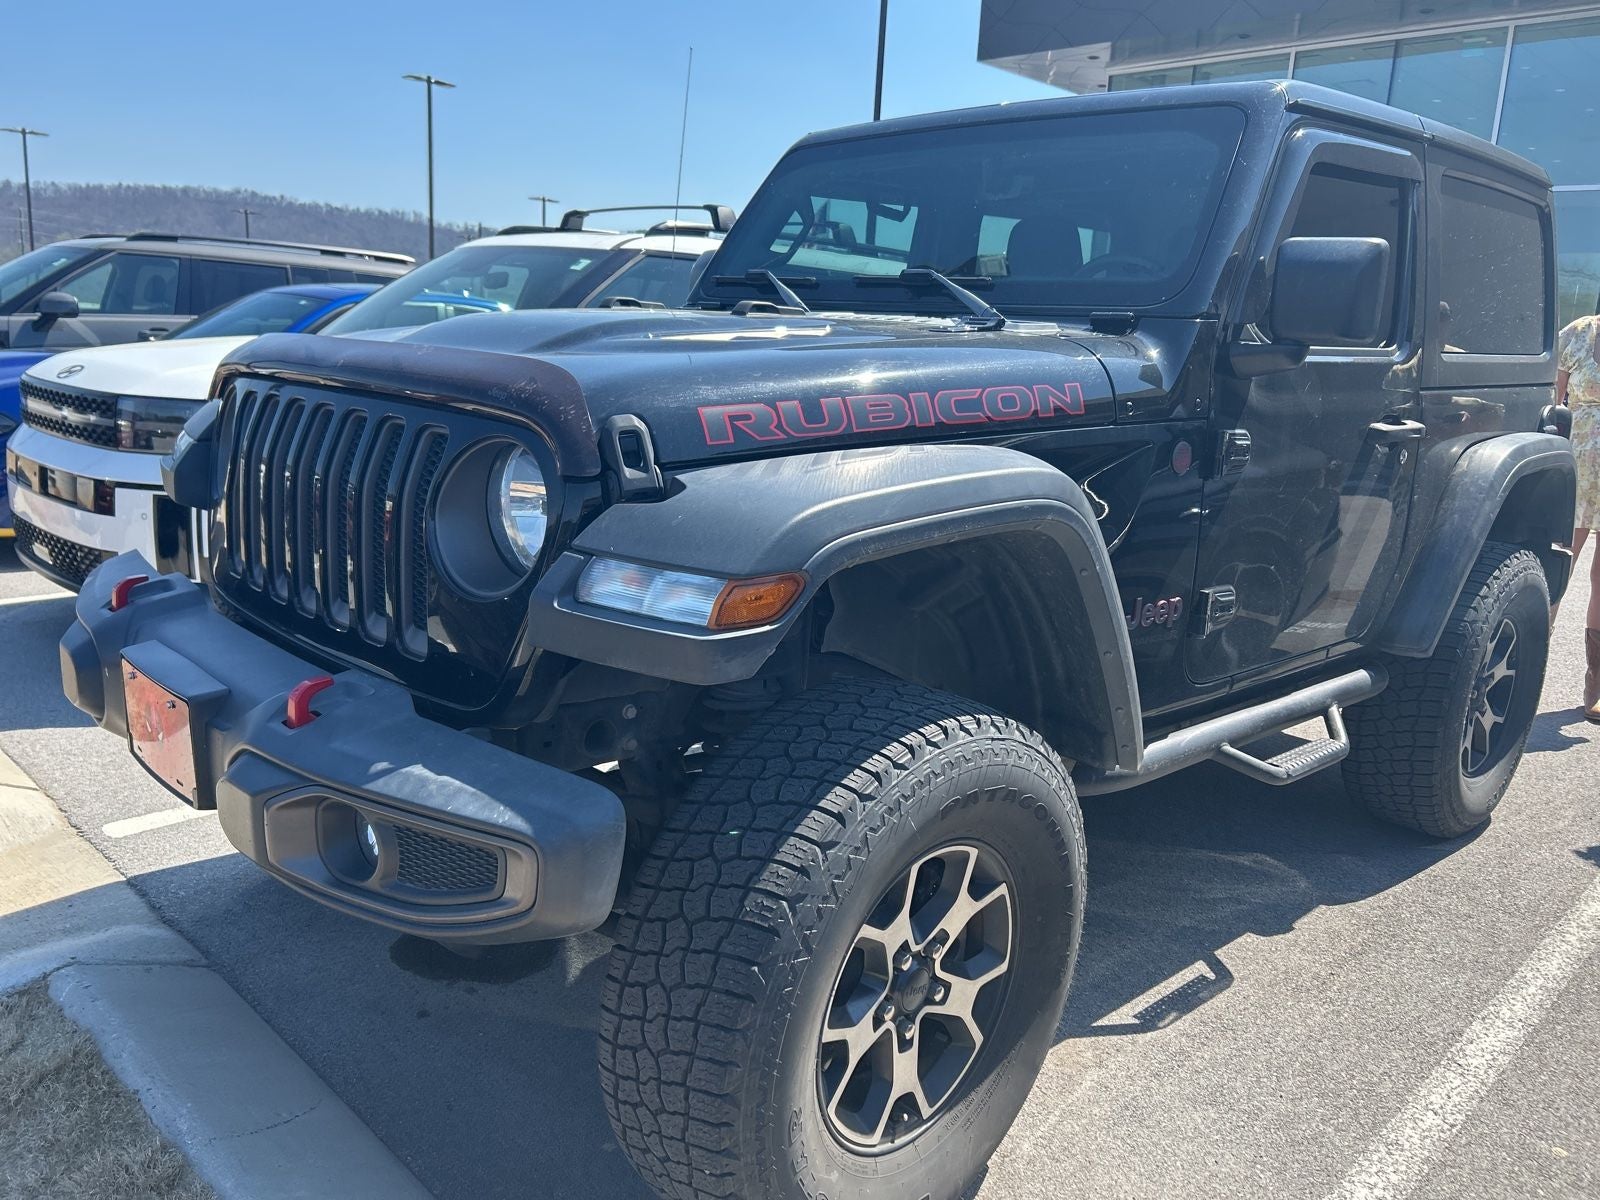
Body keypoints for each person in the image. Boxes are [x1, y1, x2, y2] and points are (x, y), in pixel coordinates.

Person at [1557, 311, 1600, 723]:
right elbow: (1554, 404)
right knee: (1560, 562)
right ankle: (1528, 664)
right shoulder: (1580, 332)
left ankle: (1594, 681)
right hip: (1578, 463)